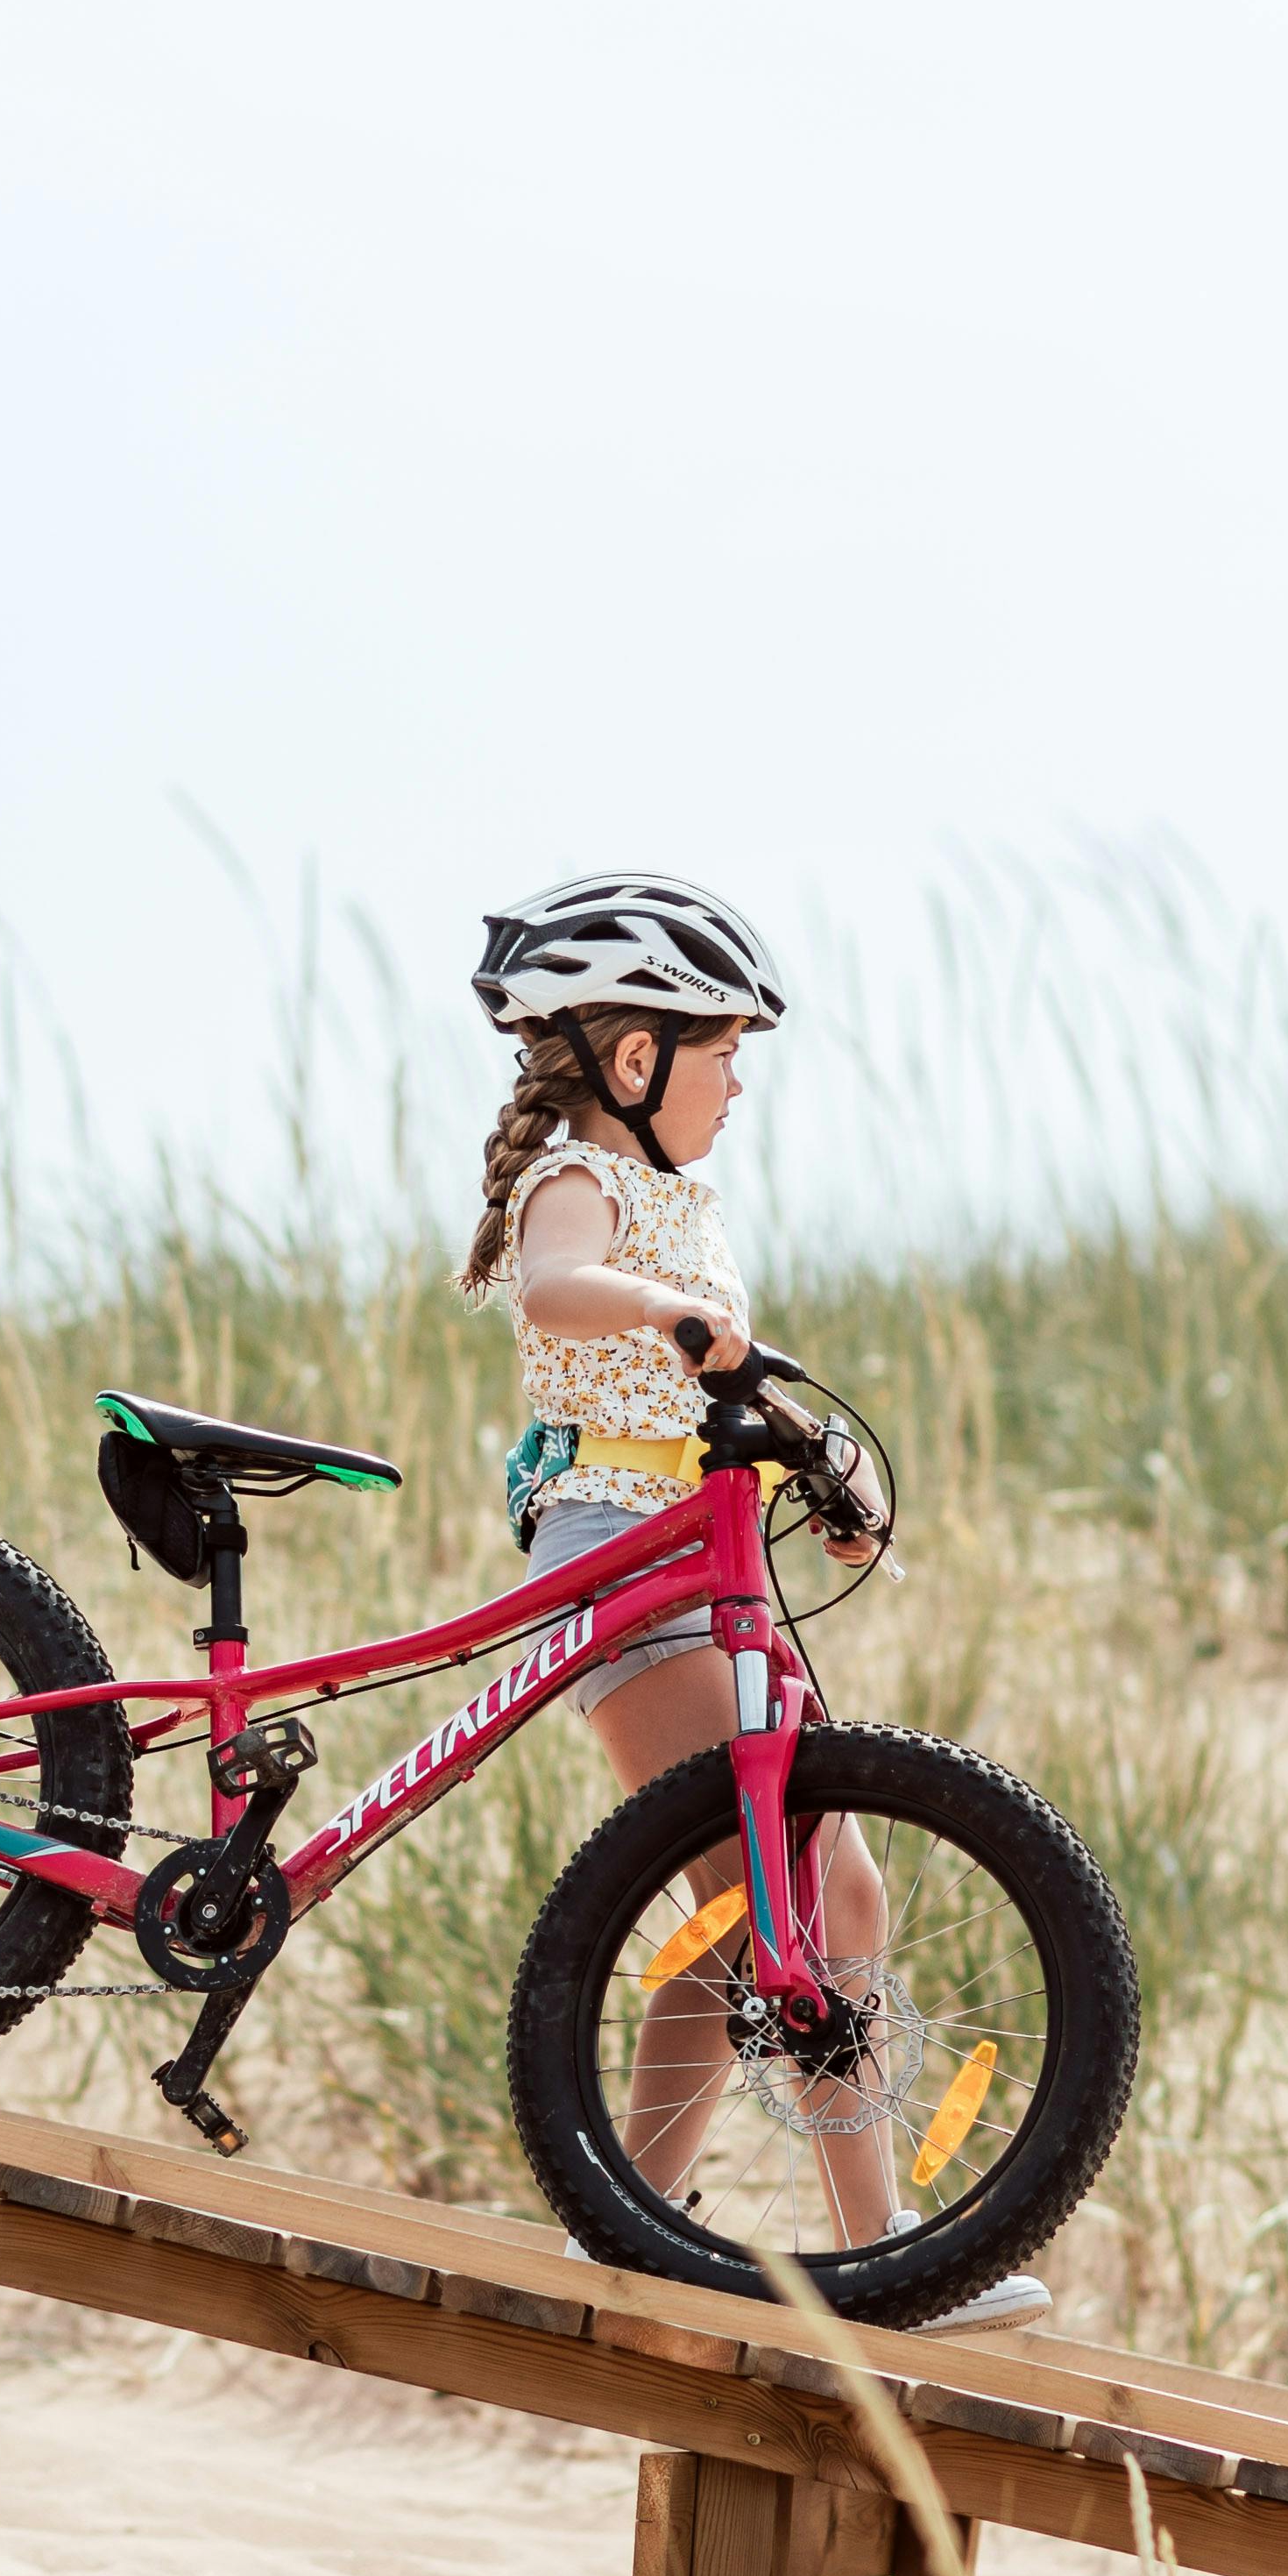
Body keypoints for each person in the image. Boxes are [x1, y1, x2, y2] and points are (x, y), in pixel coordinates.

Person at [464, 871, 1048, 2328]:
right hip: (615, 1536)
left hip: (703, 1547)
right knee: (744, 1896)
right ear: (636, 1058)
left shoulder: (682, 1200)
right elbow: (553, 1289)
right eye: (723, 1051)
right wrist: (675, 1317)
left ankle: (815, 2244)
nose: (739, 1083)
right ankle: (847, 2261)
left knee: (822, 1895)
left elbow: (728, 1368)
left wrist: (832, 1466)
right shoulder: (580, 1184)